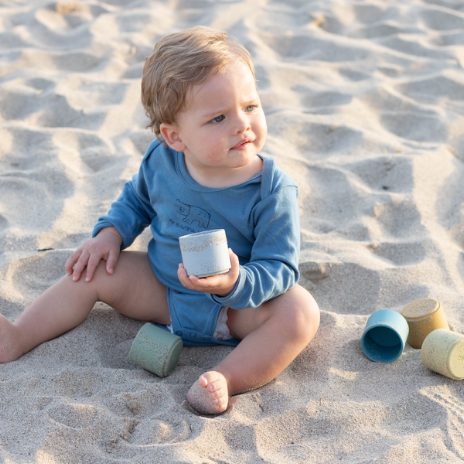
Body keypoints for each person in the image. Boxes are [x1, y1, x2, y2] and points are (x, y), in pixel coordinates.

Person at [0, 26, 320, 415]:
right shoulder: (162, 160)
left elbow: (280, 268)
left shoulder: (273, 190)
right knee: (92, 268)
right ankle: (19, 335)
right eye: (218, 118)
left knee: (300, 313)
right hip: (163, 291)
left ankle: (226, 377)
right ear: (174, 137)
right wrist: (111, 233)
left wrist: (235, 282)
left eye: (250, 106)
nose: (242, 124)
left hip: (234, 311)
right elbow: (136, 200)